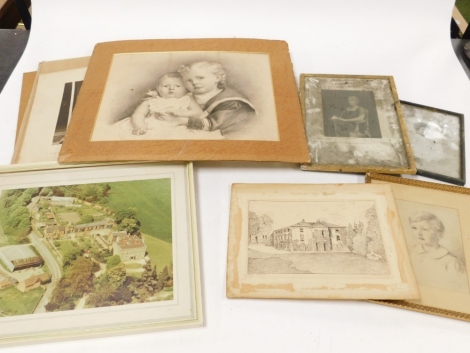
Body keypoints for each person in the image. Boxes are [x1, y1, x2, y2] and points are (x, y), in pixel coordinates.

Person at [159, 61, 256, 139]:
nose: (195, 82)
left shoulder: (233, 103)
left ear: (217, 78)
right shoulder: (186, 96)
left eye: (200, 78)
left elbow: (212, 125)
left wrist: (180, 120)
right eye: (189, 80)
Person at [408, 211, 468, 292]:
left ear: (440, 234)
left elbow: (459, 288)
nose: (419, 233)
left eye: (424, 229)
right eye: (414, 228)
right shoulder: (412, 253)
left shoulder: (450, 261)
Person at [130, 72, 203, 135]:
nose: (171, 88)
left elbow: (198, 112)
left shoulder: (187, 99)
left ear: (186, 89)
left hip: (179, 127)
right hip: (154, 128)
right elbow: (138, 114)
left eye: (177, 86)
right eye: (166, 86)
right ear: (158, 88)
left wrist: (181, 113)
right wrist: (139, 126)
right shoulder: (152, 101)